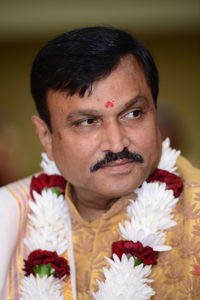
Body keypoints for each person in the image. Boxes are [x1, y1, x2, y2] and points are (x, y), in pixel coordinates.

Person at [0, 26, 200, 300]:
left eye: (133, 113)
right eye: (87, 122)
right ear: (46, 136)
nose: (117, 144)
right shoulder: (9, 216)